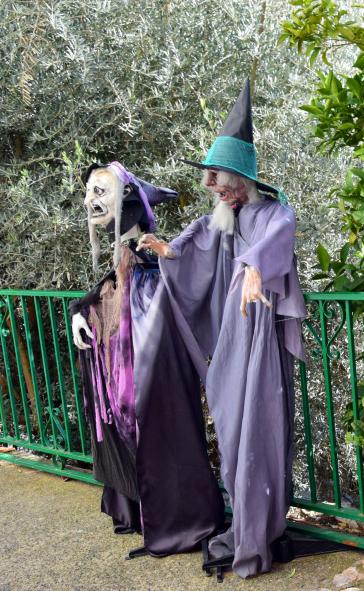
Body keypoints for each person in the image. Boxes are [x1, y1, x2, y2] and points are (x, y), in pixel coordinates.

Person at [138, 78, 307, 578]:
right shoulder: (225, 218)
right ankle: (245, 525)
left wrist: (256, 268)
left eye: (215, 176)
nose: (210, 185)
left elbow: (278, 237)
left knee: (258, 429)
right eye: (209, 177)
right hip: (234, 340)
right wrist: (168, 251)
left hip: (258, 338)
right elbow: (197, 243)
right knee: (233, 429)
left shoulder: (273, 212)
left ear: (238, 178)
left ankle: (259, 532)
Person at [71, 162, 224, 554]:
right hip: (126, 373)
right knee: (130, 422)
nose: (90, 201)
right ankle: (139, 510)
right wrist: (79, 312)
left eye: (99, 191)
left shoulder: (153, 266)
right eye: (88, 192)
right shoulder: (128, 262)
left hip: (153, 371)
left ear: (126, 199)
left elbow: (170, 293)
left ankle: (178, 518)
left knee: (160, 424)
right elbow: (107, 290)